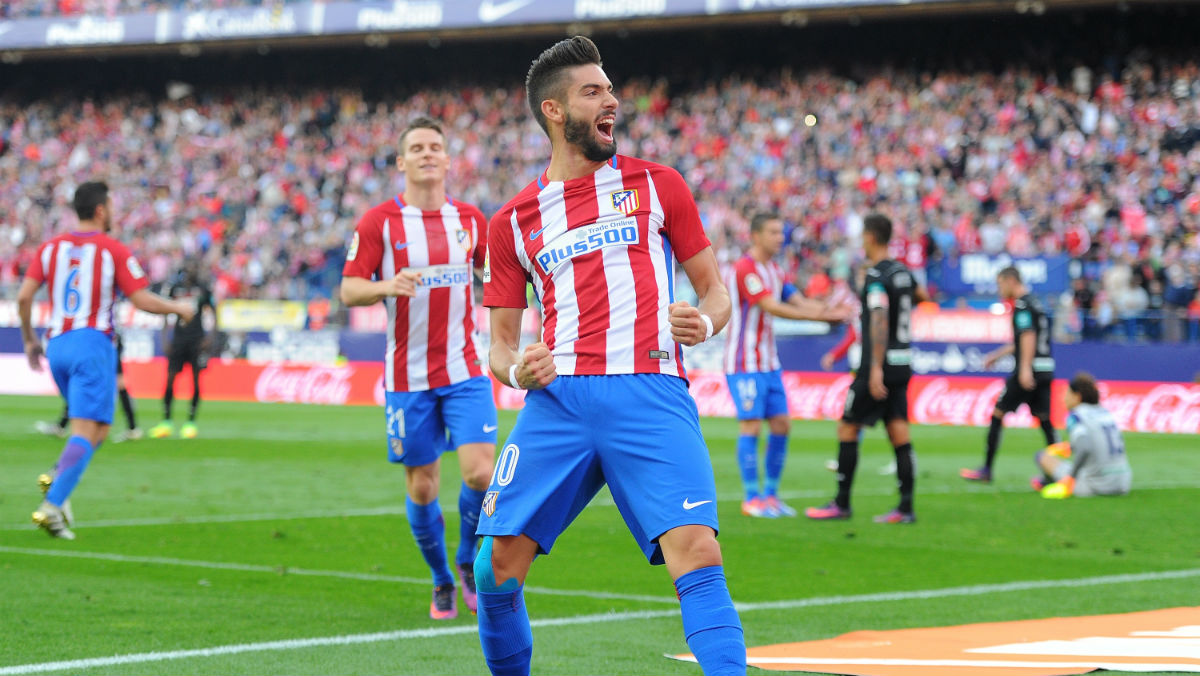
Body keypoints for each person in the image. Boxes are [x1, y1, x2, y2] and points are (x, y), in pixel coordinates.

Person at [476, 36, 745, 676]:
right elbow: (499, 345)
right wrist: (518, 370)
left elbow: (715, 291)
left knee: (698, 552)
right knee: (494, 567)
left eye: (611, 89)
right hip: (560, 401)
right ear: (553, 111)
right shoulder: (512, 219)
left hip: (650, 392)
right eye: (593, 91)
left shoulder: (660, 185)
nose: (612, 101)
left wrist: (703, 320)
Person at [340, 116, 497, 621]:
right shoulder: (379, 223)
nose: (428, 154)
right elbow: (349, 289)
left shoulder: (472, 220)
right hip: (408, 377)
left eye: (436, 146)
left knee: (481, 472)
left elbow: (497, 279)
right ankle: (441, 580)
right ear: (402, 163)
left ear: (448, 161)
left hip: (466, 368)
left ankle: (469, 561)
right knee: (423, 486)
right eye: (417, 148)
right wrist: (387, 286)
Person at [18, 180, 194, 539]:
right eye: (111, 205)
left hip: (57, 345)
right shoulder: (112, 249)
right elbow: (142, 299)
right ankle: (52, 505)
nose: (113, 212)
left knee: (97, 429)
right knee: (88, 430)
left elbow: (23, 297)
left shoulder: (50, 248)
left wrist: (29, 340)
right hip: (92, 343)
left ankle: (59, 482)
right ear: (100, 210)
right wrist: (179, 308)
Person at [725, 212, 846, 518]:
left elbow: (797, 300)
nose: (780, 238)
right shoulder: (745, 269)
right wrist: (819, 317)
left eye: (781, 232)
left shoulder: (775, 270)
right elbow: (771, 306)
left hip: (768, 362)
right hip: (744, 363)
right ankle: (751, 497)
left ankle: (771, 496)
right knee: (751, 425)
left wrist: (829, 309)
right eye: (774, 232)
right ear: (756, 236)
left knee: (782, 424)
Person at [806, 213, 917, 524]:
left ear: (869, 237)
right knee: (898, 431)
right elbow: (919, 297)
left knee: (848, 427)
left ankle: (841, 503)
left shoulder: (876, 276)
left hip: (876, 365)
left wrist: (876, 367)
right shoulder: (903, 273)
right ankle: (906, 508)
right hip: (903, 360)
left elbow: (879, 317)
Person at [961, 266, 1058, 482]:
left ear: (1011, 281)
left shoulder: (1022, 305)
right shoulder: (1036, 302)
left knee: (998, 414)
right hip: (1045, 367)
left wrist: (1024, 369)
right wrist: (998, 355)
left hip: (1029, 369)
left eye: (1000, 284)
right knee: (1045, 421)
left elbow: (1027, 337)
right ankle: (1057, 471)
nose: (1000, 289)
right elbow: (1023, 339)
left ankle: (986, 470)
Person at [1034, 372, 1132, 498]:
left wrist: (1071, 478)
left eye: (1067, 393)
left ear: (1077, 397)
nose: (1064, 398)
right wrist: (1071, 447)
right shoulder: (1105, 412)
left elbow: (1085, 448)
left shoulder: (1076, 416)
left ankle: (1049, 481)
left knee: (1042, 456)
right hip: (1123, 483)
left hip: (1096, 485)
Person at [148, 262, 217, 439]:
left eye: (193, 269)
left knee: (195, 380)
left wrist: (209, 337)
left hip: (196, 341)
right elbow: (165, 313)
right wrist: (164, 338)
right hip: (178, 340)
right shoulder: (175, 289)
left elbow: (215, 314)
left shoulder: (203, 289)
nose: (190, 272)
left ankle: (191, 423)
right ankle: (166, 422)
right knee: (170, 379)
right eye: (188, 269)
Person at [35, 330, 142, 442]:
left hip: (103, 339)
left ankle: (132, 428)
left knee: (108, 382)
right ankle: (132, 428)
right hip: (101, 338)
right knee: (85, 381)